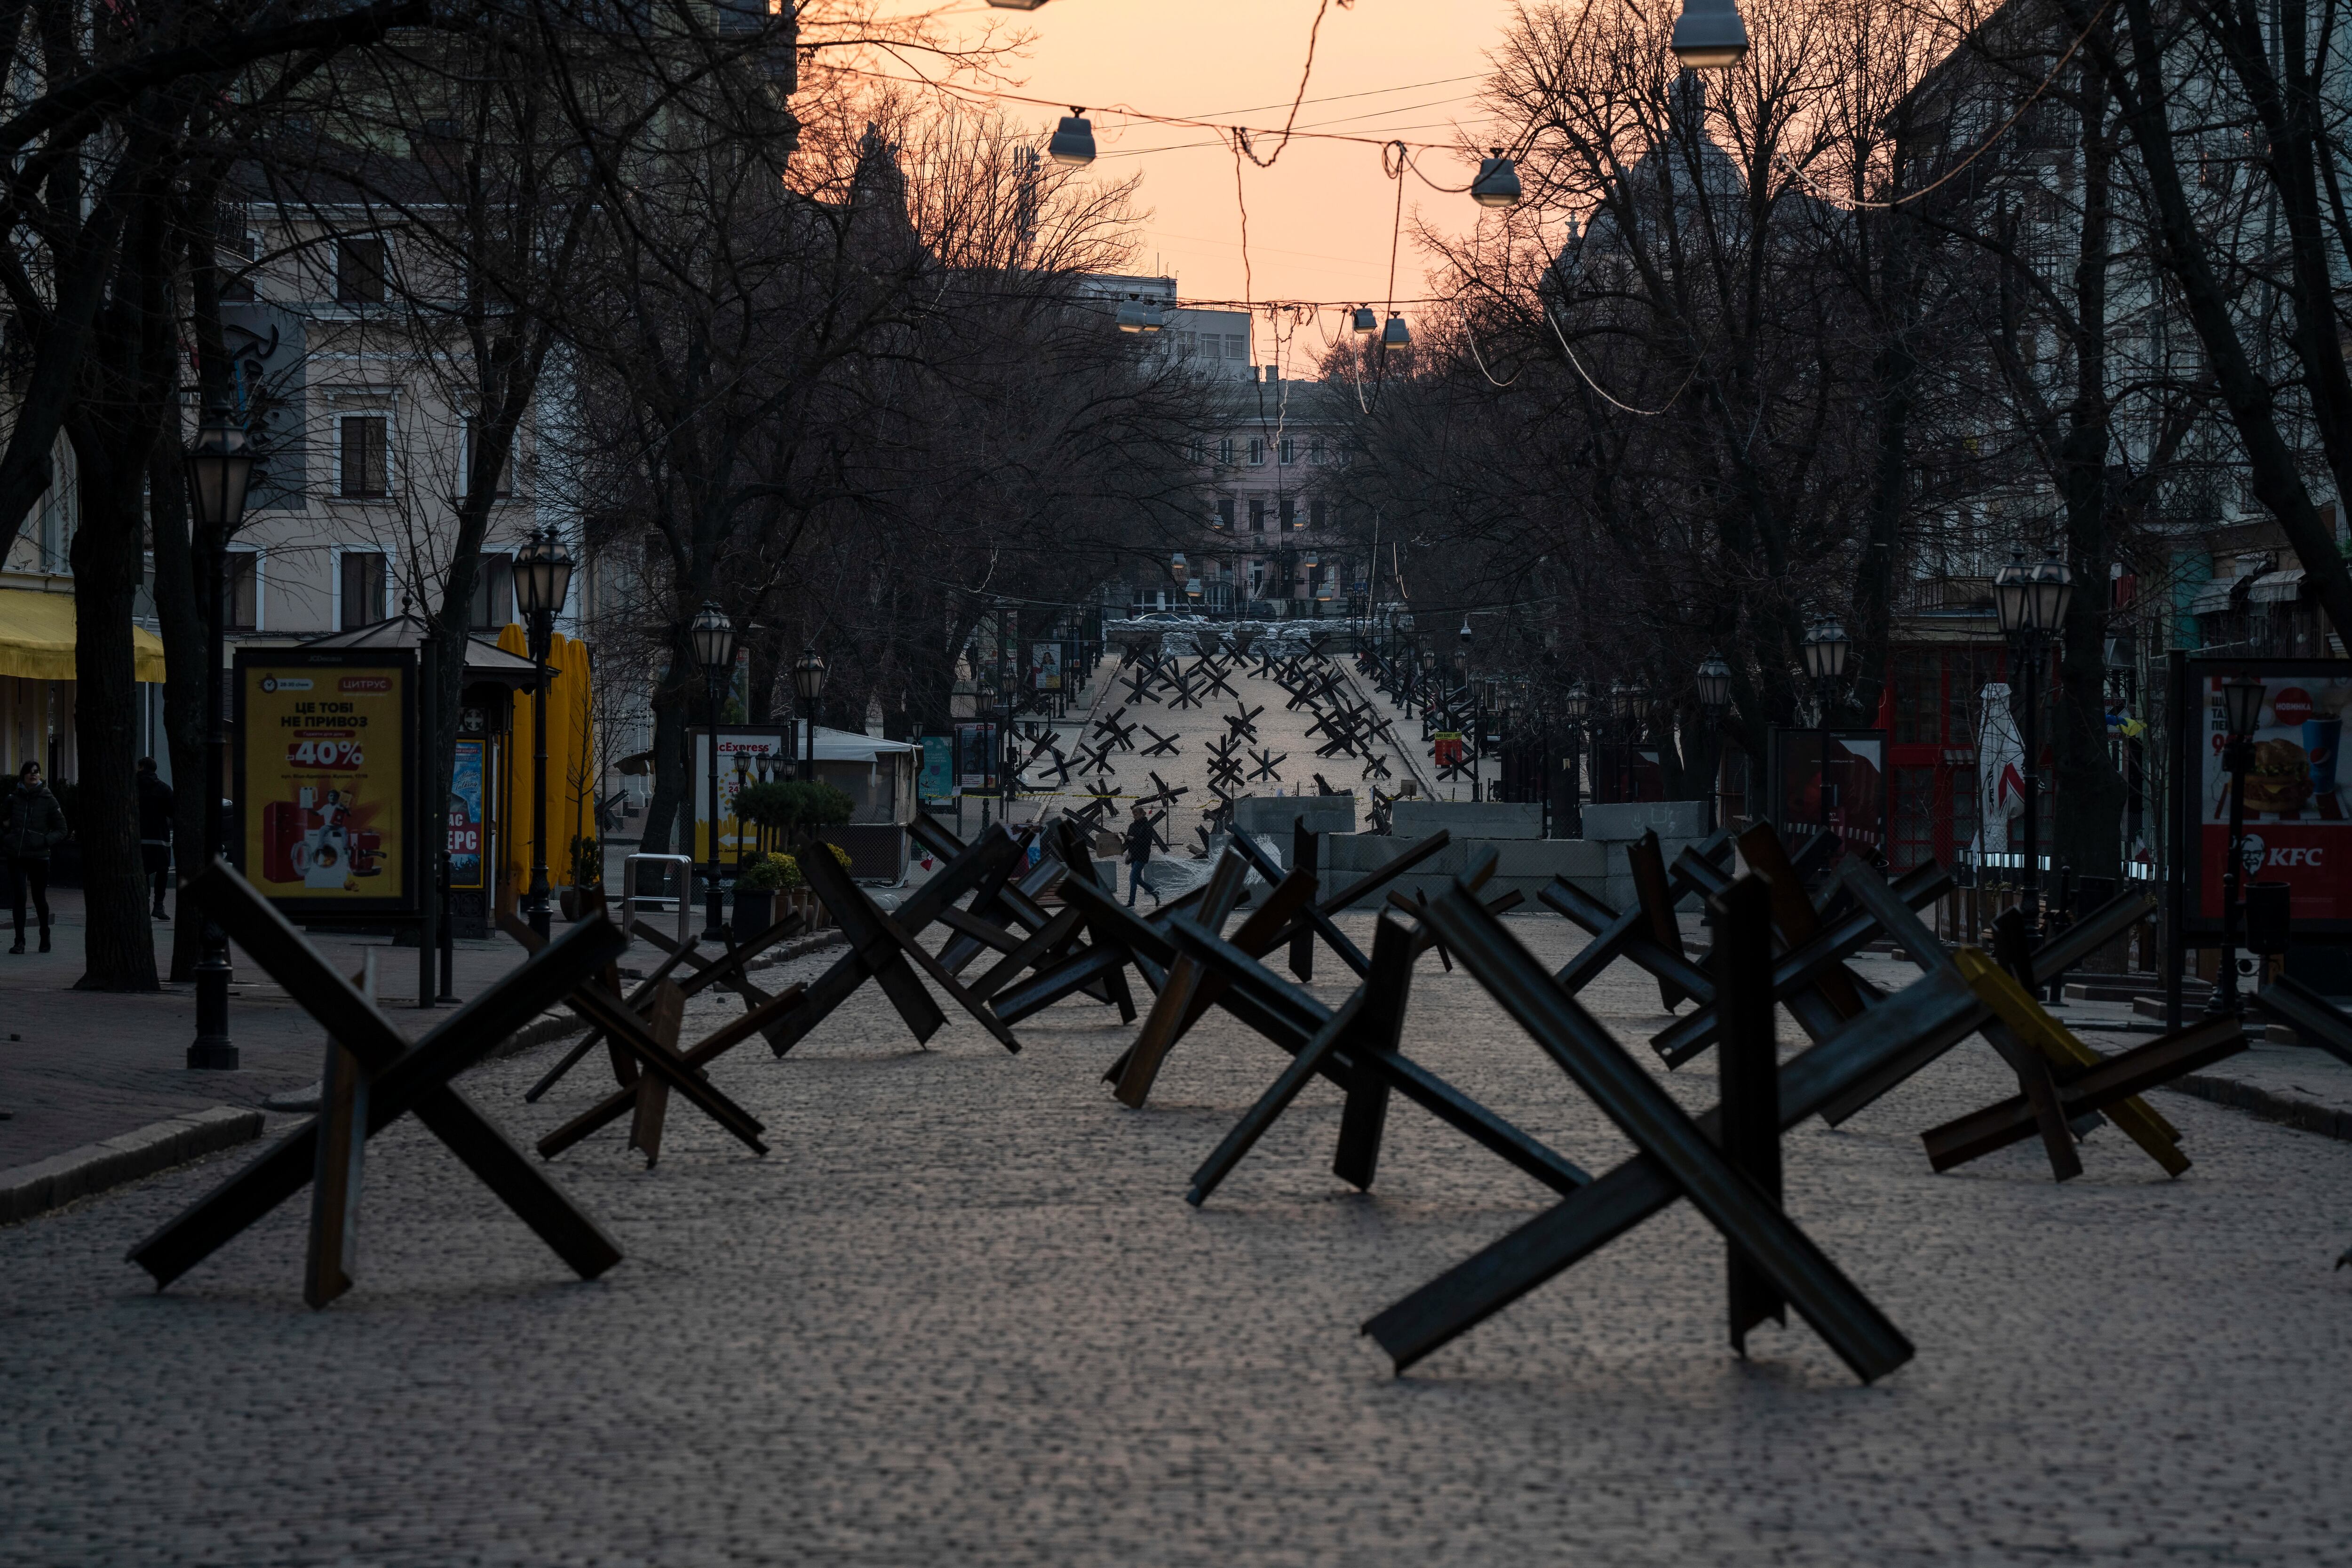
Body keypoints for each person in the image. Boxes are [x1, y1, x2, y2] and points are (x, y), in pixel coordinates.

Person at [2, 761, 67, 953]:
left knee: (39, 898)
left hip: (39, 857)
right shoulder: (13, 799)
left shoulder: (48, 799)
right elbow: (2, 822)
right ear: (23, 776)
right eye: (30, 772)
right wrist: (7, 839)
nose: (34, 775)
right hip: (17, 855)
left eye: (37, 773)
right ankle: (19, 941)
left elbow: (62, 829)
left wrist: (45, 841)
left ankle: (44, 934)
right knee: (20, 896)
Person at [136, 757, 174, 920]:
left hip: (137, 836)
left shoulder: (131, 787)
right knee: (162, 871)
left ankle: (142, 905)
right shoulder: (164, 788)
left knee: (141, 872)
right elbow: (173, 812)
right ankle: (159, 906)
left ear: (141, 767)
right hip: (159, 837)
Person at [1123, 802, 1157, 908]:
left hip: (1143, 855)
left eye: (1136, 814)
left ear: (1142, 814)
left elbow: (1147, 842)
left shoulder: (1147, 827)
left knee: (1133, 878)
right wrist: (1127, 840)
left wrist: (1134, 839)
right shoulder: (1132, 826)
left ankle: (1131, 903)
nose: (1135, 816)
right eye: (1134, 815)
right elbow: (1130, 842)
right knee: (1138, 880)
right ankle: (1155, 893)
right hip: (1134, 855)